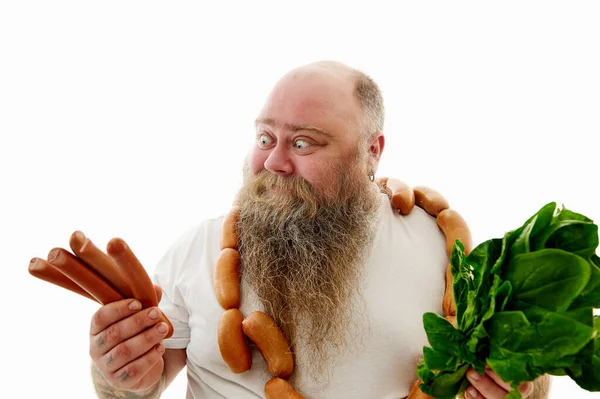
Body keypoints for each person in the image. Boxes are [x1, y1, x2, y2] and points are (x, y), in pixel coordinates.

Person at [88, 61, 550, 398]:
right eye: (265, 137)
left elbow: (526, 374)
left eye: (303, 142)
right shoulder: (199, 248)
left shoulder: (442, 252)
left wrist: (522, 388)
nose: (273, 162)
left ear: (372, 151)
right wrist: (119, 375)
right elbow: (139, 386)